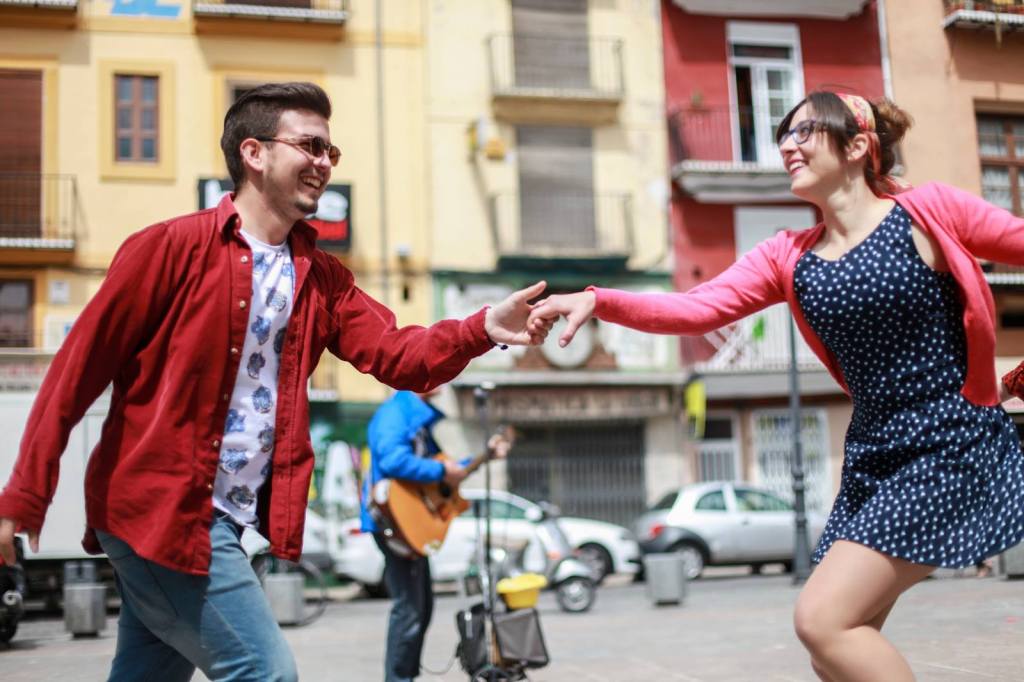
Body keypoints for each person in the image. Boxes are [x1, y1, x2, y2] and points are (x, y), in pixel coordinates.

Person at [0, 82, 549, 681]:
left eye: (330, 152)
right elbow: (75, 373)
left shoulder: (321, 278)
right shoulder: (168, 249)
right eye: (310, 146)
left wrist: (481, 327)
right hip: (165, 511)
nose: (324, 163)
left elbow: (399, 355)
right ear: (254, 153)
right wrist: (22, 499)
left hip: (234, 521)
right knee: (265, 672)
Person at [527, 90, 1024, 682]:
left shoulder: (929, 212)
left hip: (948, 445)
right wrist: (597, 300)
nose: (788, 145)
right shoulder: (789, 255)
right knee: (832, 653)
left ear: (858, 146)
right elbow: (696, 308)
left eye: (806, 131)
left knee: (823, 621)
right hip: (873, 456)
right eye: (784, 134)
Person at [361, 388, 509, 682]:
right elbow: (393, 459)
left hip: (410, 525)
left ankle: (404, 676)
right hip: (396, 522)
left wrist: (483, 457)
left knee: (421, 607)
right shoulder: (396, 412)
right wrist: (441, 470)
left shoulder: (416, 418)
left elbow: (444, 469)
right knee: (410, 610)